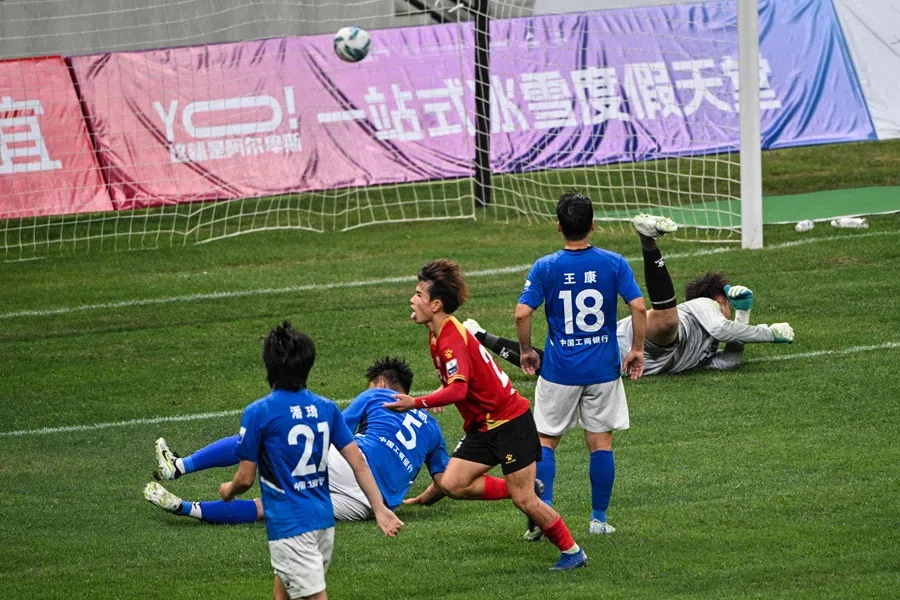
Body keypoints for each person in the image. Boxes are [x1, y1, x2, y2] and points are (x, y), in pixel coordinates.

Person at [382, 259, 587, 571]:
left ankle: (573, 552)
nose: (412, 299)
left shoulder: (449, 338)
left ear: (436, 304)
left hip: (510, 423)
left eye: (418, 295)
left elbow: (459, 390)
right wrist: (441, 390)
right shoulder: (438, 333)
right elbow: (458, 378)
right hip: (484, 425)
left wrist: (417, 402)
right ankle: (523, 490)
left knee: (525, 501)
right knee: (452, 483)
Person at [466, 213, 795, 379]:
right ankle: (648, 241)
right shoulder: (702, 306)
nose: (727, 309)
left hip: (630, 364)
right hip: (636, 342)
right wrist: (768, 333)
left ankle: (479, 335)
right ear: (717, 298)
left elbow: (732, 358)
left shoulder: (707, 348)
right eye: (729, 303)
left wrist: (744, 312)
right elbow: (724, 330)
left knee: (551, 368)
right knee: (667, 323)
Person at [216, 321, 402, 600]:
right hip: (323, 521)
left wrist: (228, 491)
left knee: (314, 595)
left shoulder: (259, 412)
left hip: (290, 525)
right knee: (284, 591)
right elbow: (359, 463)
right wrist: (379, 508)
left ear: (269, 365)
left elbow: (245, 479)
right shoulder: (326, 408)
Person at [144, 356, 450, 526]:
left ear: (382, 384)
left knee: (262, 440)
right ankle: (183, 508)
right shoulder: (434, 430)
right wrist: (418, 501)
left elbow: (335, 431)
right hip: (367, 504)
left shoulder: (377, 394)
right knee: (270, 507)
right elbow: (444, 483)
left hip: (352, 465)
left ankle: (179, 466)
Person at [508, 191, 647, 541]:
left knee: (546, 441)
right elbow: (639, 307)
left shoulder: (546, 267)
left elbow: (522, 312)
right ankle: (598, 521)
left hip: (559, 371)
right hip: (602, 369)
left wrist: (526, 351)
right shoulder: (614, 262)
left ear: (559, 227)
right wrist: (636, 349)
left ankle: (546, 517)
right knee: (600, 444)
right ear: (593, 225)